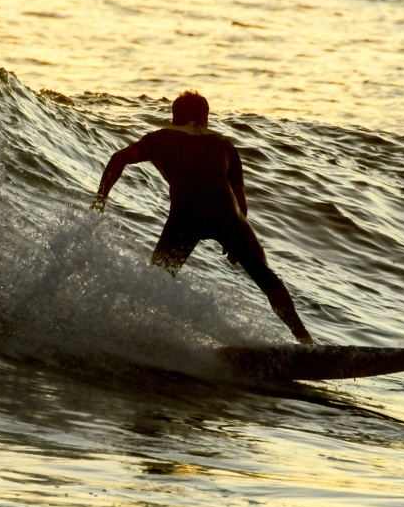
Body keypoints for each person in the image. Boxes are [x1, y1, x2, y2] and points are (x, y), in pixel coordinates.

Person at [91, 91, 314, 344]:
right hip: (227, 217)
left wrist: (101, 200)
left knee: (157, 280)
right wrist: (236, 242)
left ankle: (138, 337)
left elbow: (118, 158)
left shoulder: (161, 139)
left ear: (174, 117)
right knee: (266, 277)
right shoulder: (225, 145)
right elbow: (241, 204)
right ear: (206, 118)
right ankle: (305, 340)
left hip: (185, 217)